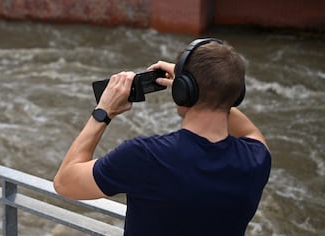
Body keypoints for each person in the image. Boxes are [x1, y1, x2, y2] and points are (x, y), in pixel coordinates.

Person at [53, 38, 271, 235]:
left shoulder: (145, 156)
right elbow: (249, 131)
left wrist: (103, 111)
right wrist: (211, 90)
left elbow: (64, 183)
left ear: (182, 91)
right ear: (237, 95)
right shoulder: (256, 159)